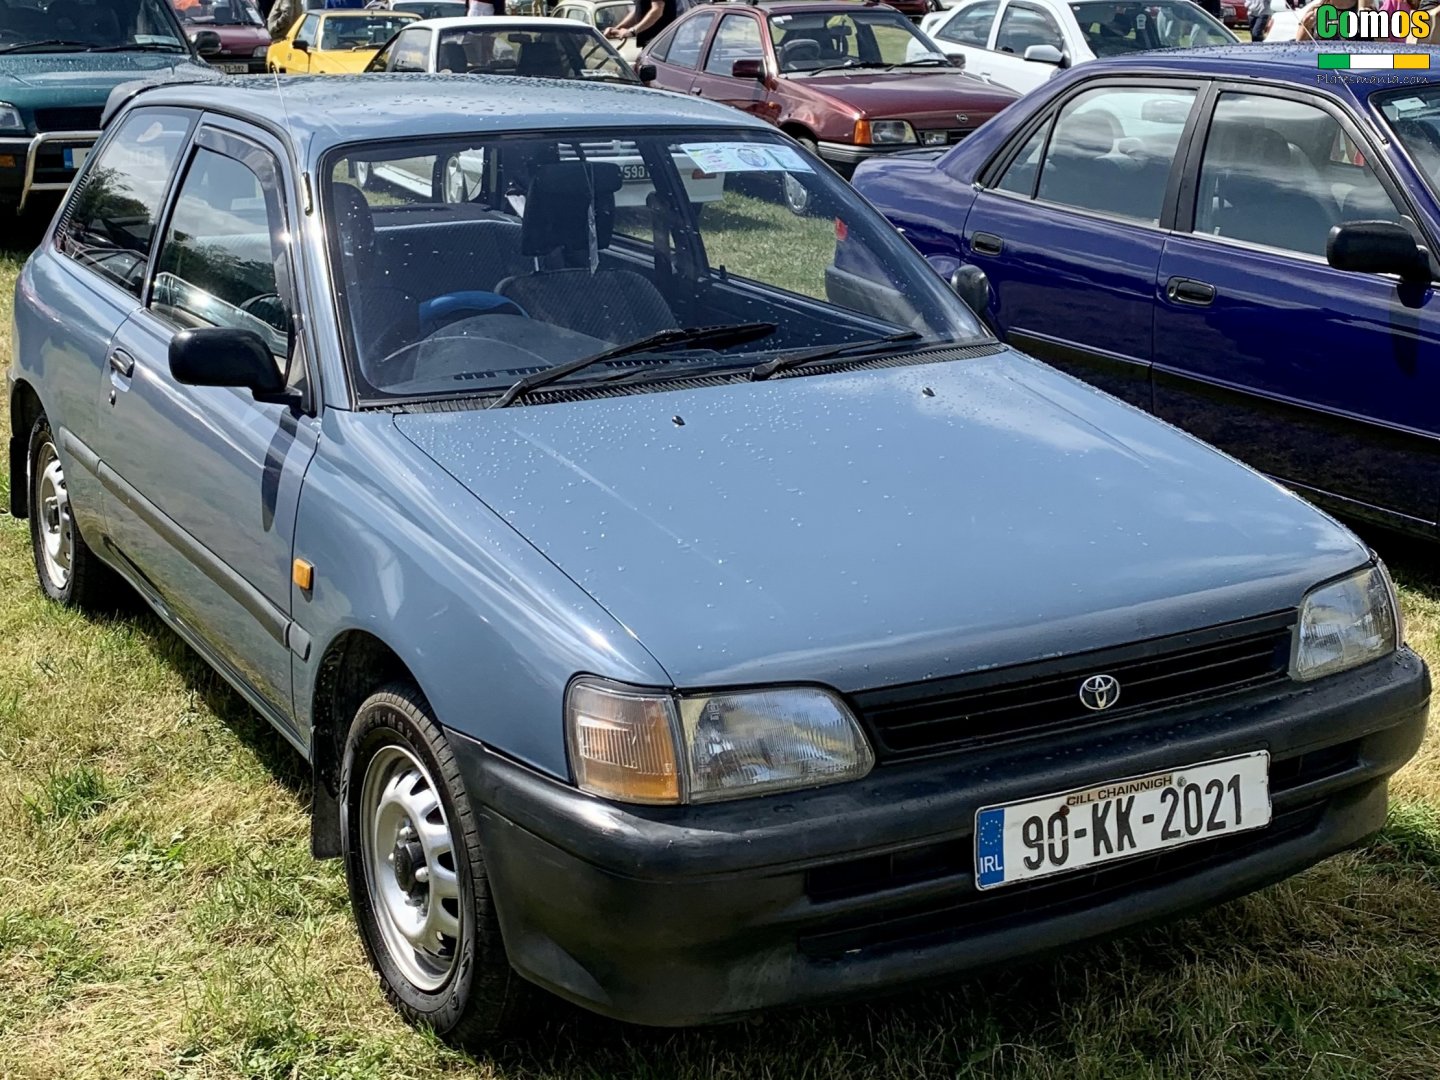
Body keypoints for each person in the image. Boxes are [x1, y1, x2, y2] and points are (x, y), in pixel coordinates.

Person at [604, 0, 676, 49]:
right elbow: (638, 11)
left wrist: (632, 31)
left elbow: (657, 10)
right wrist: (618, 28)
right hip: (650, 44)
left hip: (661, 43)